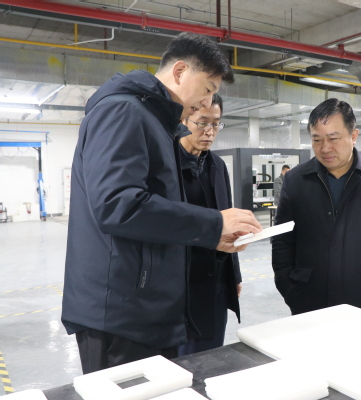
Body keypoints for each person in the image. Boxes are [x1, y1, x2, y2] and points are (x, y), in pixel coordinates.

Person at [62, 32, 262, 374]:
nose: (206, 101)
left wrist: (214, 238)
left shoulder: (156, 122)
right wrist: (214, 223)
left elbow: (156, 214)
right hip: (121, 314)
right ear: (180, 71)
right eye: (208, 88)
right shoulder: (123, 111)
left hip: (145, 308)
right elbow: (117, 205)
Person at [272, 98, 361, 316]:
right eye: (317, 139)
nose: (325, 148)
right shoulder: (296, 180)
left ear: (353, 136)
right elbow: (282, 238)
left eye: (333, 138)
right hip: (309, 298)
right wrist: (289, 286)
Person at [176, 94, 242, 355]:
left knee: (212, 355)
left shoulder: (217, 166)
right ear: (184, 120)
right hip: (182, 284)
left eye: (216, 124)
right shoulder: (168, 164)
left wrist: (234, 274)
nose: (210, 131)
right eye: (203, 123)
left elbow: (228, 220)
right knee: (182, 359)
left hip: (216, 281)